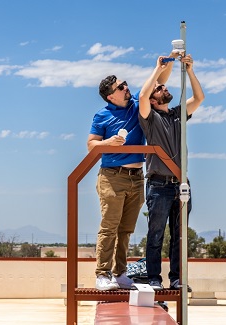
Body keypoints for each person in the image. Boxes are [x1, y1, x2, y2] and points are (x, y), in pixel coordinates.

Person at [87, 60, 174, 291]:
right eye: (120, 87)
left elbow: (159, 81)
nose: (126, 88)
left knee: (126, 229)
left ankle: (120, 272)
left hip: (137, 177)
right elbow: (91, 145)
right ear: (110, 96)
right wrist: (109, 142)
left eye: (125, 84)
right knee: (110, 226)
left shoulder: (137, 103)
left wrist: (166, 61)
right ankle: (102, 274)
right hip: (112, 177)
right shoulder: (101, 116)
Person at [138, 53, 205, 291]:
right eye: (160, 88)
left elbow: (199, 97)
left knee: (180, 236)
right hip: (158, 185)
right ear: (154, 100)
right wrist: (157, 70)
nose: (164, 88)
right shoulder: (150, 118)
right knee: (156, 236)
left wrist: (189, 70)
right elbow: (143, 96)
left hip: (181, 185)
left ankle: (176, 278)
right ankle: (154, 279)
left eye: (163, 86)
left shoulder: (178, 114)